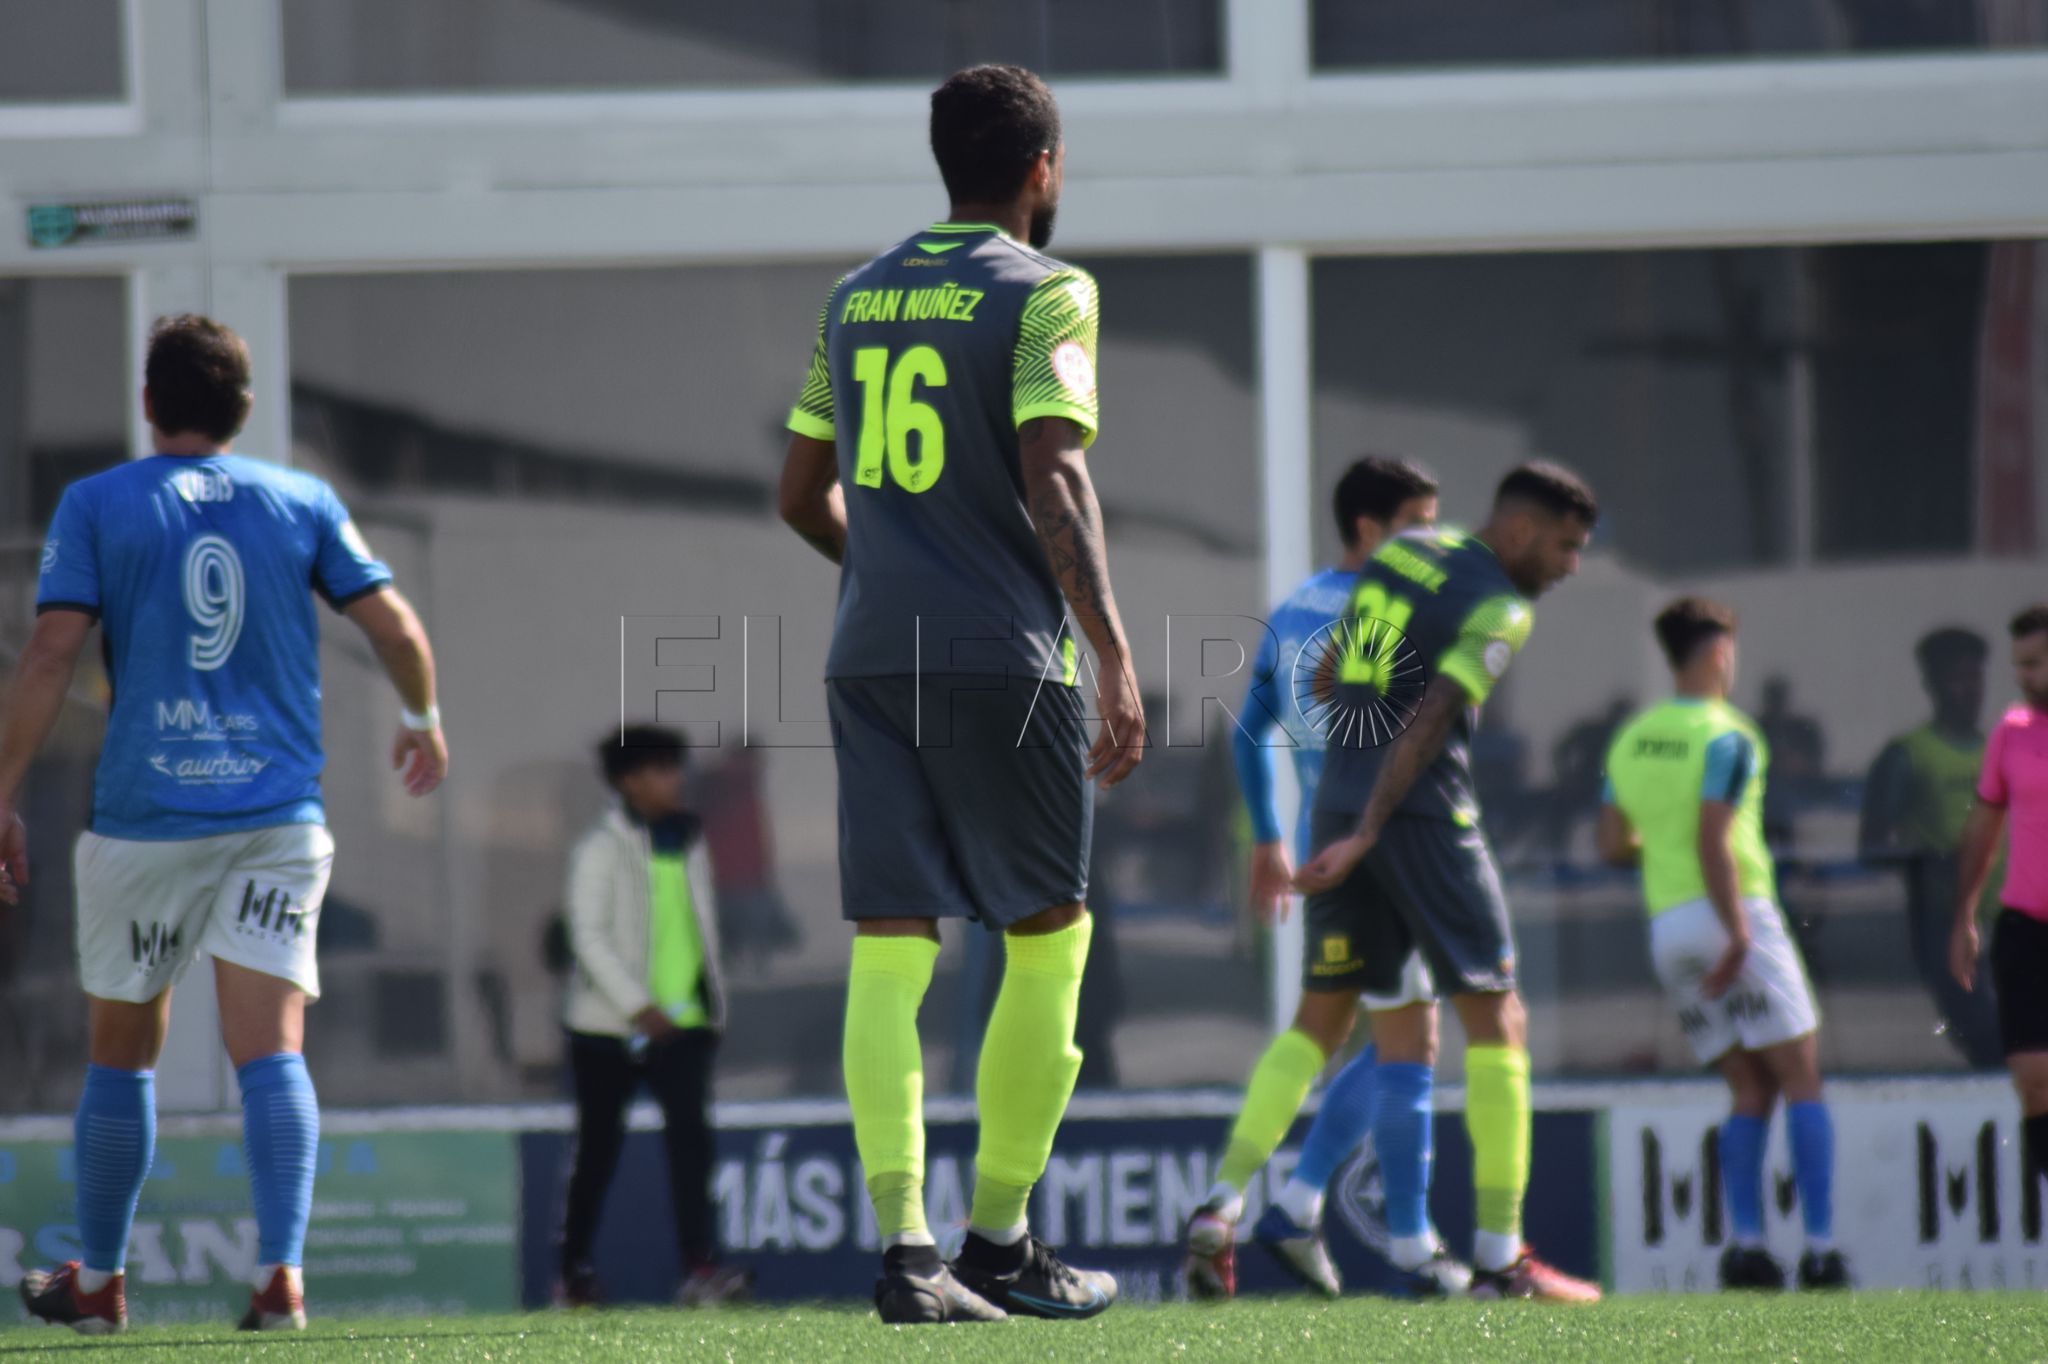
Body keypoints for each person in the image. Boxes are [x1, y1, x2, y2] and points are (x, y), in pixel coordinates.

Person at [776, 64, 1145, 1325]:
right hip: (1002, 655)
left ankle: (906, 1250)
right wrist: (1110, 647)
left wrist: (888, 567)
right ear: (1043, 167)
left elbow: (797, 491)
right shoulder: (1048, 293)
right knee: (1048, 938)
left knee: (890, 946)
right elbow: (1057, 477)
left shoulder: (855, 295)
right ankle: (999, 1239)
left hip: (869, 653)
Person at [0, 315, 448, 1334]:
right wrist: (423, 718)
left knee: (121, 1052)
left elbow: (47, 657)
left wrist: (2, 792)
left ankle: (103, 1281)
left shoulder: (98, 503)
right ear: (245, 410)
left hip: (146, 820)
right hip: (274, 818)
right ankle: (282, 1273)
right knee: (272, 1050)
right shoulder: (303, 500)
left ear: (149, 402)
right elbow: (396, 626)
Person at [1291, 462, 1603, 1303]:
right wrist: (1374, 826)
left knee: (1378, 1034)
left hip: (1344, 797)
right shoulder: (1504, 605)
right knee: (1497, 1014)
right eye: (1567, 548)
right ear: (1525, 531)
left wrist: (1349, 807)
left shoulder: (1404, 550)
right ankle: (1503, 1259)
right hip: (1419, 818)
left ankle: (1291, 1205)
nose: (1570, 567)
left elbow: (1330, 678)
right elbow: (1432, 719)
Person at [1183, 456, 1444, 1300]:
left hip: (1315, 842)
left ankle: (1238, 1204)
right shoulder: (1398, 612)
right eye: (1417, 526)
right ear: (1368, 529)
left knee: (1321, 1031)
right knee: (1413, 1041)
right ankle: (1413, 1247)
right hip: (1388, 847)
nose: (1432, 543)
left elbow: (1248, 733)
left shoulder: (1296, 609)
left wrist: (1265, 838)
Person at [1598, 598, 1848, 1292]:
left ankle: (1746, 1246)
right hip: (1734, 915)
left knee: (1747, 1083)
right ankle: (1822, 1248)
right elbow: (1714, 835)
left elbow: (1613, 844)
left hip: (1668, 928)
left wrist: (1665, 846)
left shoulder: (1631, 738)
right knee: (1801, 1075)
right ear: (1716, 653)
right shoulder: (1730, 734)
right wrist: (1738, 929)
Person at [556, 725, 750, 1309]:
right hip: (607, 1030)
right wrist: (636, 1006)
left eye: (676, 767)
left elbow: (698, 929)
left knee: (693, 1150)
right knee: (598, 1152)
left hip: (684, 1025)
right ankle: (575, 1271)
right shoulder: (598, 848)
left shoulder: (688, 840)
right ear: (629, 781)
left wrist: (709, 1004)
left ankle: (700, 1270)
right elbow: (586, 937)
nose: (676, 779)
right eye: (662, 769)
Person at [1860, 628, 2002, 1067]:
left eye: (1976, 678)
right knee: (1984, 1033)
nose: (1970, 690)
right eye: (1958, 679)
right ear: (1934, 684)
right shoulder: (1909, 755)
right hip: (1945, 917)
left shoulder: (2000, 750)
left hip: (2008, 915)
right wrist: (1931, 861)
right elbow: (1873, 844)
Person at [1952, 604, 2048, 1224]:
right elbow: (1986, 826)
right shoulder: (2011, 734)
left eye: (2036, 662)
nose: (2024, 675)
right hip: (2025, 929)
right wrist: (1964, 912)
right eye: (2018, 663)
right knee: (2034, 1080)